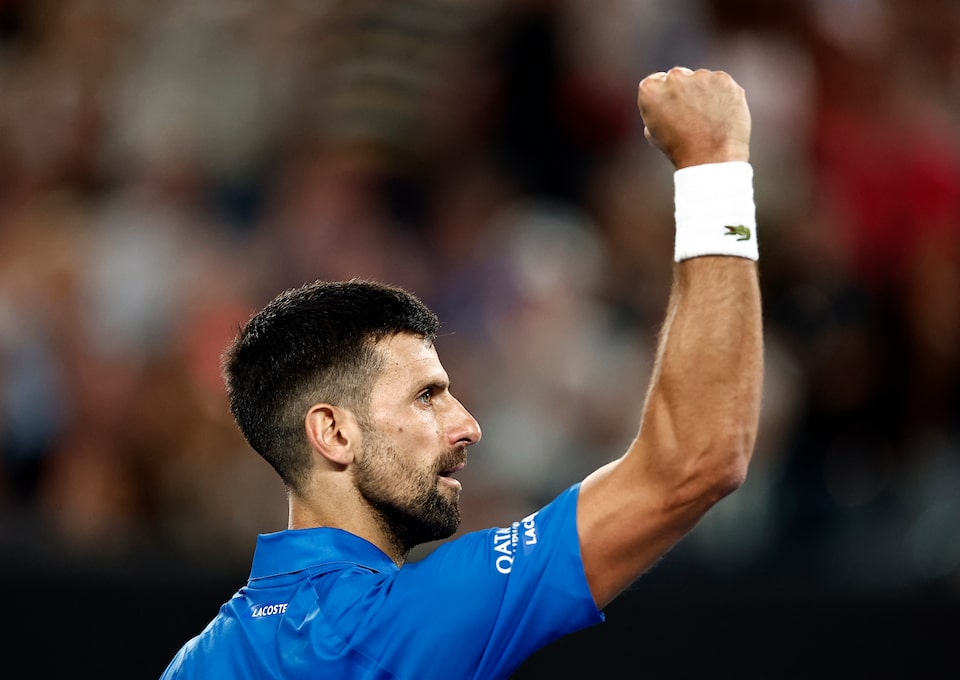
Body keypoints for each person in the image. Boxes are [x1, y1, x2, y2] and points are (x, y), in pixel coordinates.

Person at [160, 66, 764, 679]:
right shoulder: (396, 622)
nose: (469, 426)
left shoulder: (197, 661)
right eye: (427, 397)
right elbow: (699, 458)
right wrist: (712, 161)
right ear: (334, 432)